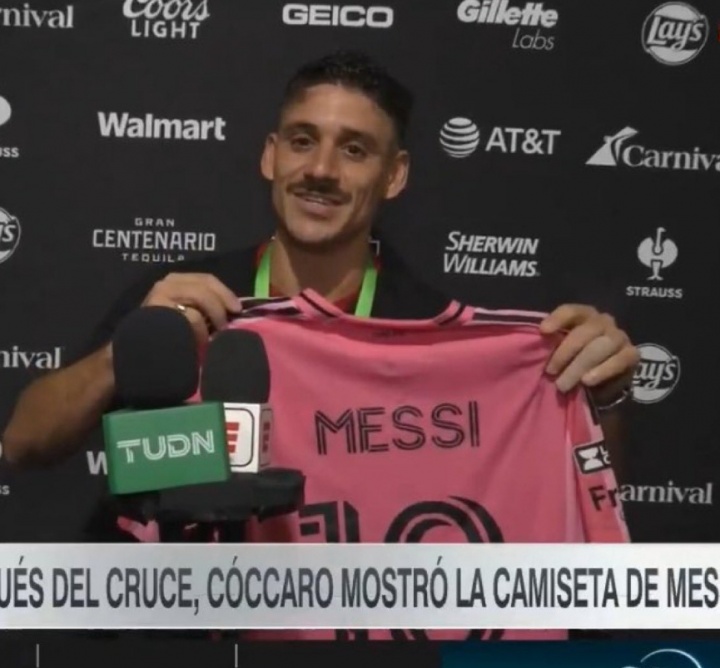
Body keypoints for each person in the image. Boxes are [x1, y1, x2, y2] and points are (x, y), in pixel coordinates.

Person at [2, 50, 638, 476]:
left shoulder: (437, 332)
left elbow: (574, 490)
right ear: (271, 156)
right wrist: (128, 351)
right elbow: (22, 442)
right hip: (192, 620)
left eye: (355, 150)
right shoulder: (184, 296)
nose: (322, 170)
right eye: (303, 141)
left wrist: (600, 398)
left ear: (395, 176)